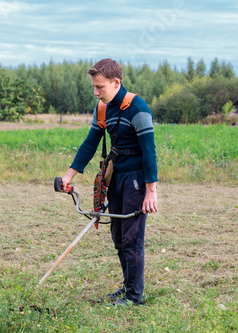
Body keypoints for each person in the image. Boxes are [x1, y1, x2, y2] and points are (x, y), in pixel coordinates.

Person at [61, 58, 158, 306]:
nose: (96, 92)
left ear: (116, 83)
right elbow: (90, 143)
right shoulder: (103, 108)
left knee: (131, 239)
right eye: (94, 86)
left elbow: (149, 152)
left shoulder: (138, 108)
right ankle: (128, 287)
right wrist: (68, 177)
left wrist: (151, 192)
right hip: (114, 177)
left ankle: (135, 297)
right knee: (117, 236)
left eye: (100, 87)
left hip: (136, 180)